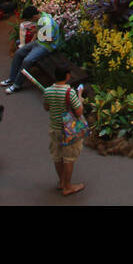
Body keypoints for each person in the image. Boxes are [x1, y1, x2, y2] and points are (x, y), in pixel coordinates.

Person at [43, 64, 85, 196]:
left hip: (54, 128)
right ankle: (67, 186)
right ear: (67, 76)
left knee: (57, 156)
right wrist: (80, 95)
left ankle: (61, 181)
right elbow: (79, 112)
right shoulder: (69, 92)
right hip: (68, 130)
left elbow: (46, 107)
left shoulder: (48, 91)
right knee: (69, 158)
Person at [2, 6, 58, 92]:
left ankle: (17, 85)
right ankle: (12, 78)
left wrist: (36, 38)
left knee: (27, 60)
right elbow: (39, 30)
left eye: (30, 19)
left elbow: (48, 40)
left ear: (34, 16)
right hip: (39, 42)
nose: (30, 21)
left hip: (47, 46)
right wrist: (32, 41)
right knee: (18, 53)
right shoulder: (40, 17)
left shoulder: (46, 22)